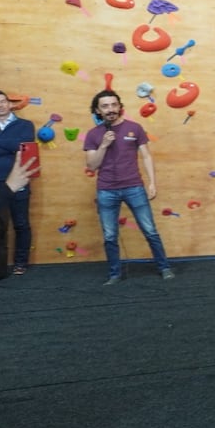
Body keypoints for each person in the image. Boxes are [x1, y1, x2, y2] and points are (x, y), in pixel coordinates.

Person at [83, 90, 174, 284]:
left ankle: (164, 267)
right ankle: (114, 274)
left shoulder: (135, 128)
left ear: (119, 106)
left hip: (134, 187)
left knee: (150, 230)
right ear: (98, 110)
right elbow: (92, 166)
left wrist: (152, 182)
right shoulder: (93, 134)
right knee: (110, 236)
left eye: (114, 105)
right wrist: (104, 145)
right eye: (105, 106)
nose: (110, 109)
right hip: (106, 190)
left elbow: (146, 156)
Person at [0, 90, 37, 277]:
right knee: (0, 226)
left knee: (21, 224)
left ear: (9, 104)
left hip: (19, 180)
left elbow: (24, 147)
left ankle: (21, 263)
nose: (0, 105)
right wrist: (11, 144)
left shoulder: (25, 125)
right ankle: (1, 266)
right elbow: (15, 145)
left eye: (2, 101)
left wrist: (6, 144)